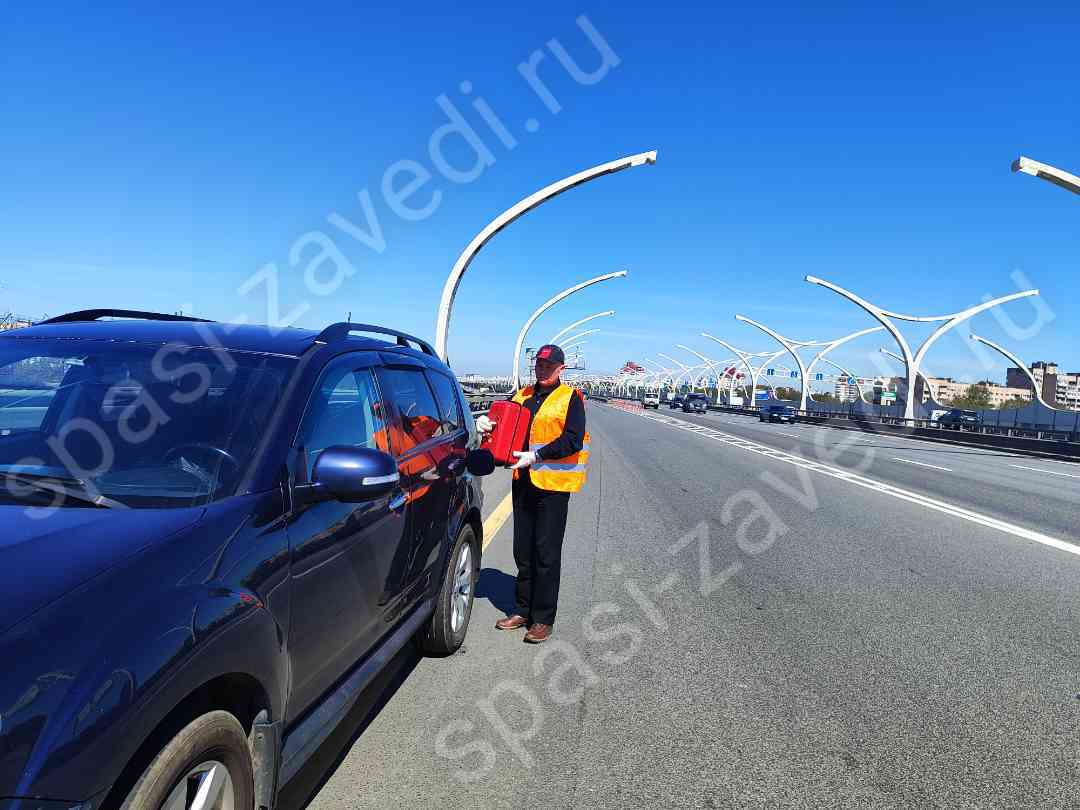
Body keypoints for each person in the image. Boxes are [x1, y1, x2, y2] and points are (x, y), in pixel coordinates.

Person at [476, 344, 588, 643]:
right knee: (522, 551)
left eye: (548, 365)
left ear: (561, 368)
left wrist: (536, 456)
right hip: (522, 481)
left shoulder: (570, 398)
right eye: (539, 364)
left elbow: (573, 440)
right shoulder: (522, 395)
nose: (542, 369)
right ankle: (522, 609)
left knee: (546, 554)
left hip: (553, 486)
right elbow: (504, 426)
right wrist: (486, 427)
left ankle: (542, 618)